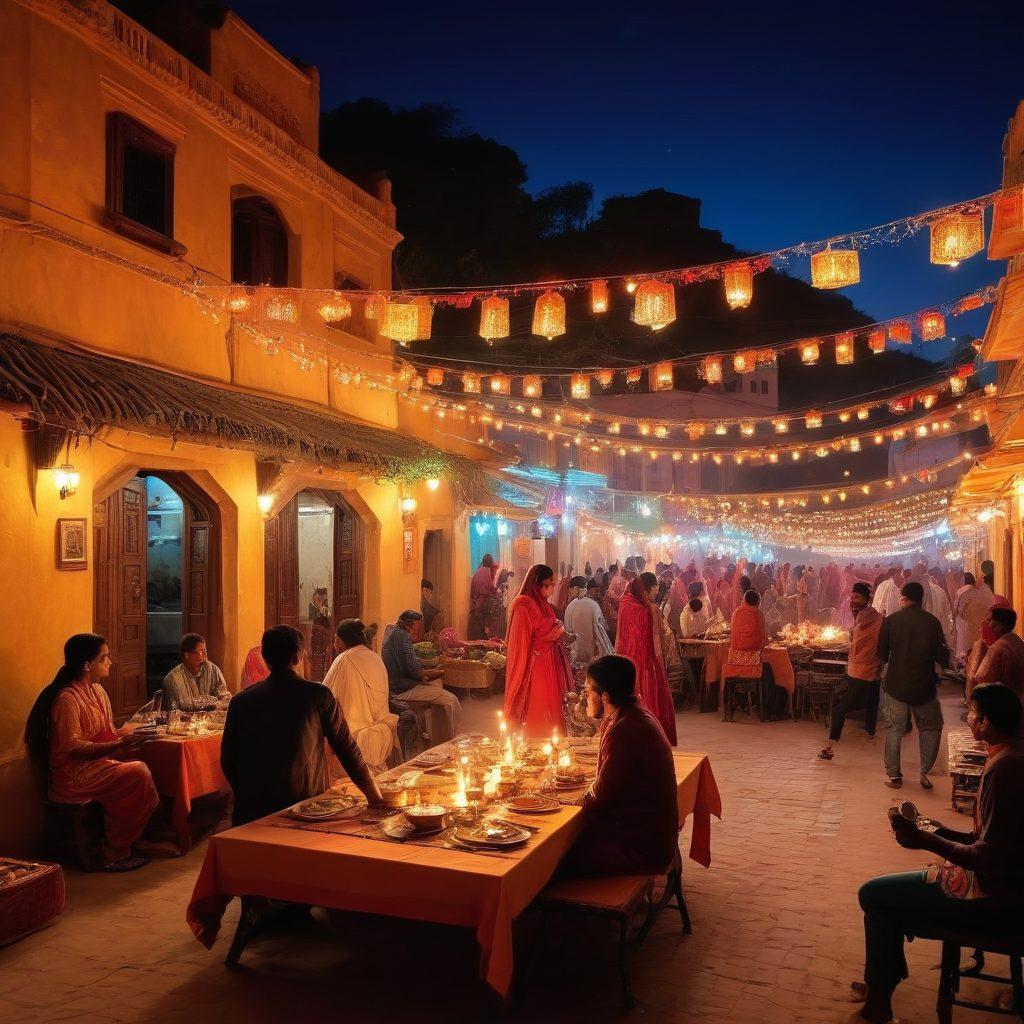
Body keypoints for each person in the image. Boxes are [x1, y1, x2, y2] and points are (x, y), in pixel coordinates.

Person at [855, 684, 1024, 1024]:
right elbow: (988, 840)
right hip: (1003, 885)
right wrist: (937, 829)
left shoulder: (1005, 769)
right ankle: (882, 979)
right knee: (889, 898)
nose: (969, 718)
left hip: (994, 899)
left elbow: (986, 857)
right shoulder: (1011, 755)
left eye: (973, 713)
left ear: (985, 723)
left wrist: (924, 840)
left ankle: (880, 993)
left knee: (873, 895)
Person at [221, 625, 382, 825]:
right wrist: (374, 796)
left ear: (265, 658)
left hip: (253, 810)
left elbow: (228, 760)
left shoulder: (240, 701)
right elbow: (346, 747)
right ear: (298, 657)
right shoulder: (317, 695)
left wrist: (249, 794)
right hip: (306, 805)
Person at [25, 633, 159, 871]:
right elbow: (72, 747)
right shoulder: (68, 699)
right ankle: (113, 852)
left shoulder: (98, 692)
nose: (110, 662)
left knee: (145, 765)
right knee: (139, 773)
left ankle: (128, 840)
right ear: (87, 665)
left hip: (96, 767)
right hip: (74, 777)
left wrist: (134, 736)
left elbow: (108, 732)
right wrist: (118, 745)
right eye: (104, 658)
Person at [560, 655, 679, 877]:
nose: (585, 697)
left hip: (641, 846)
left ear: (604, 696)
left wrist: (565, 805)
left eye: (588, 692)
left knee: (551, 857)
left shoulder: (626, 729)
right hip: (641, 833)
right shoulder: (631, 714)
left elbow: (600, 797)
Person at [876, 581, 949, 790]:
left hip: (896, 684)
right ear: (922, 599)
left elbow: (881, 655)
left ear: (904, 597)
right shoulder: (932, 623)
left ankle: (894, 776)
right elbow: (941, 655)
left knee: (895, 729)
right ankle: (924, 772)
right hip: (923, 686)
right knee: (930, 727)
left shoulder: (891, 621)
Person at [322, 619, 408, 772]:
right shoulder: (376, 658)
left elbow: (323, 696)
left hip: (352, 741)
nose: (335, 644)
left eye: (336, 640)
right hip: (382, 737)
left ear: (341, 641)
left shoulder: (344, 659)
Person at [503, 564, 574, 736]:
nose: (551, 589)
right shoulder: (523, 606)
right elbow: (520, 643)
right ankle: (534, 740)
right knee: (538, 703)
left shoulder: (543, 604)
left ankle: (552, 740)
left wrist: (558, 631)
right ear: (535, 585)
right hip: (535, 665)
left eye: (553, 584)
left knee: (552, 705)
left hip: (550, 660)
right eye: (547, 585)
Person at [818, 583, 883, 760]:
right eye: (852, 597)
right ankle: (870, 734)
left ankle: (830, 745)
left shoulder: (873, 617)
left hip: (862, 669)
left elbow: (862, 641)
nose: (852, 601)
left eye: (857, 598)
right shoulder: (863, 615)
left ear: (866, 600)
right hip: (870, 668)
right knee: (871, 702)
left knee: (841, 708)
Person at [381, 610, 461, 743]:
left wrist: (433, 663)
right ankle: (453, 741)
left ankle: (432, 737)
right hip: (402, 689)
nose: (418, 632)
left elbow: (408, 661)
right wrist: (437, 671)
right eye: (417, 627)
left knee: (436, 690)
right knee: (451, 700)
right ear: (409, 625)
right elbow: (415, 671)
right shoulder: (404, 637)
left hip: (392, 686)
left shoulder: (390, 630)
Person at [615, 572, 677, 745]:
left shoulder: (625, 603)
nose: (657, 590)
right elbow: (658, 639)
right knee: (647, 697)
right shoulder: (648, 609)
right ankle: (651, 735)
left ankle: (629, 735)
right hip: (646, 661)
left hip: (626, 662)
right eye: (655, 586)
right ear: (648, 587)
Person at [722, 590, 766, 722]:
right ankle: (763, 708)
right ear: (758, 602)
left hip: (733, 665)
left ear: (744, 600)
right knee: (769, 670)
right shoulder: (758, 614)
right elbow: (763, 641)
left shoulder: (736, 613)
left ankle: (730, 711)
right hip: (753, 666)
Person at [160, 633, 228, 710]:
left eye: (205, 650)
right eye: (201, 651)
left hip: (211, 720)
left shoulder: (213, 669)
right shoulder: (172, 679)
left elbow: (223, 697)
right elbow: (170, 712)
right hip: (183, 721)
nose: (205, 654)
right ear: (187, 655)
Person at [971, 606, 1024, 700]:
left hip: (1004, 702)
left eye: (990, 620)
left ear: (998, 626)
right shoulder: (1019, 643)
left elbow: (981, 677)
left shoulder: (997, 649)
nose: (987, 623)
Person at [564, 577, 613, 664]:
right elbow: (602, 629)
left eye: (571, 589)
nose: (570, 592)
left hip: (573, 655)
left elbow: (567, 630)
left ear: (577, 588)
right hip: (590, 656)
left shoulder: (570, 605)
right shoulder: (593, 605)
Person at [953, 572, 990, 666]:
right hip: (979, 623)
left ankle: (963, 663)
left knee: (963, 645)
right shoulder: (979, 591)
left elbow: (956, 610)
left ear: (964, 580)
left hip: (964, 623)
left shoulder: (961, 591)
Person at [468, 554, 502, 640]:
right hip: (480, 607)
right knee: (481, 637)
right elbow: (487, 588)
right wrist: (497, 592)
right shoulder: (485, 571)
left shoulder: (479, 571)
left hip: (476, 606)